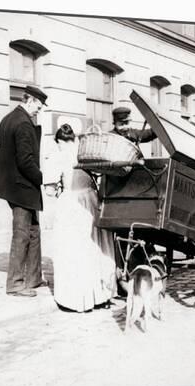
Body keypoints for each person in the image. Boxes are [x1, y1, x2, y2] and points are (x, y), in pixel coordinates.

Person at [0, 86, 48, 298]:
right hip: (21, 186)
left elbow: (1, 152)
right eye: (38, 107)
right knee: (22, 233)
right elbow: (25, 161)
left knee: (33, 230)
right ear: (30, 100)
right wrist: (44, 179)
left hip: (13, 184)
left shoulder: (8, 118)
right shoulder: (23, 123)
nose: (38, 111)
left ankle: (34, 277)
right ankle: (15, 283)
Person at [52, 124, 116, 312]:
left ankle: (78, 299)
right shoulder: (87, 152)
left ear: (61, 141)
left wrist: (57, 189)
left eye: (59, 143)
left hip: (72, 204)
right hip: (91, 200)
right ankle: (101, 296)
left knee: (74, 249)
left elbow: (49, 190)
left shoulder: (60, 156)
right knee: (95, 246)